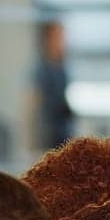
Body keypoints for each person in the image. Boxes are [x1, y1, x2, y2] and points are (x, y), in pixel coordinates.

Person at [31, 19, 75, 151]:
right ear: (48, 40)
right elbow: (33, 107)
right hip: (46, 136)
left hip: (62, 133)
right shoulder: (40, 70)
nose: (63, 42)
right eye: (59, 37)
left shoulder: (62, 68)